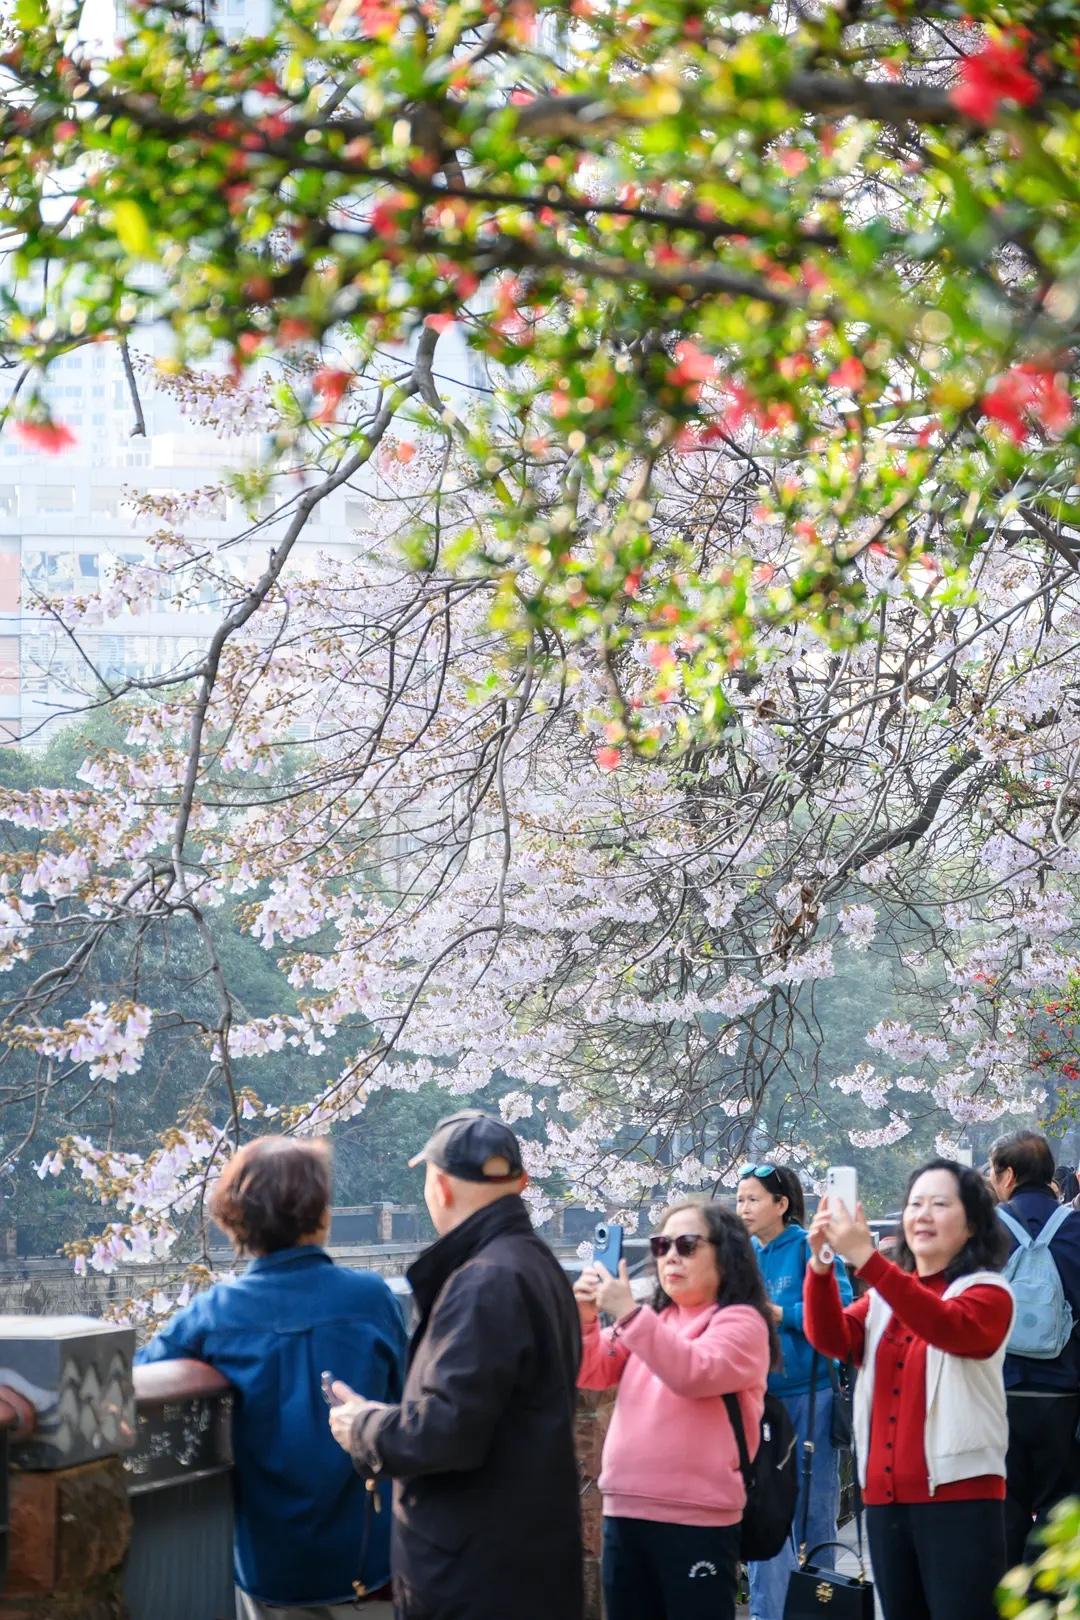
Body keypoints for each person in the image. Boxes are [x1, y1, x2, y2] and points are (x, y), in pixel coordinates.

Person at [134, 1136, 407, 1620]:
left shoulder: (215, 1313)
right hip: (366, 1558)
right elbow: (410, 1406)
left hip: (270, 1565)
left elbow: (139, 1377)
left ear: (235, 1219)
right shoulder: (370, 1299)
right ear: (320, 1214)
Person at [327, 1109, 583, 1620]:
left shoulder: (484, 1282)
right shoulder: (536, 1264)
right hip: (523, 1557)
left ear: (439, 1186)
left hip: (474, 1574)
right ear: (521, 1184)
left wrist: (365, 1426)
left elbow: (445, 1431)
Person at [804, 1158, 1014, 1620]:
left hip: (961, 1500)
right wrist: (820, 1266)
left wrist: (870, 1261)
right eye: (915, 1203)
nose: (923, 1214)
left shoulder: (989, 1293)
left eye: (940, 1204)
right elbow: (831, 1338)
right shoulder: (881, 1297)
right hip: (883, 1500)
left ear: (973, 1222)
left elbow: (946, 1325)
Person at [574, 1200, 776, 1620]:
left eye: (686, 1245)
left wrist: (628, 1312)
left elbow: (693, 1372)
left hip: (697, 1518)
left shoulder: (742, 1323)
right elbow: (592, 1370)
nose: (670, 1257)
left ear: (725, 1253)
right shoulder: (653, 1321)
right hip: (625, 1511)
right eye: (662, 1245)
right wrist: (586, 1319)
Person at [736, 1163, 853, 1620]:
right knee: (764, 1508)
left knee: (814, 1505)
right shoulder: (739, 1252)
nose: (742, 1208)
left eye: (752, 1199)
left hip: (811, 1395)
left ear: (781, 1205)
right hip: (758, 1400)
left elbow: (841, 1310)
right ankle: (768, 1612)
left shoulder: (811, 1247)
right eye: (739, 1199)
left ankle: (819, 1607)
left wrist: (779, 1312)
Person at [988, 1129, 1080, 1565]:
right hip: (1064, 1395)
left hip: (999, 1392)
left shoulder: (985, 1232)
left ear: (1007, 1176)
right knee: (1058, 1507)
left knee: (1003, 1505)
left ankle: (1008, 1598)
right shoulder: (1075, 1229)